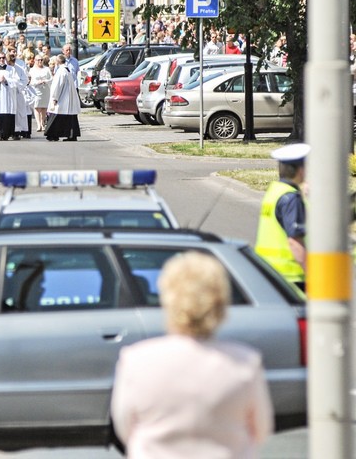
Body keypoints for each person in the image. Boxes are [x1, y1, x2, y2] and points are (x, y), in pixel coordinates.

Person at [111, 251, 273, 458]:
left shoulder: (135, 361)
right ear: (220, 301)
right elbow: (260, 430)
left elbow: (126, 428)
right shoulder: (245, 363)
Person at [255, 143, 309, 291]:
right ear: (301, 170)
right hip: (292, 278)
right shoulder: (291, 198)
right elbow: (295, 242)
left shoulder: (275, 190)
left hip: (269, 273)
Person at [44, 54, 81, 141]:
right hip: (67, 98)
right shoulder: (66, 70)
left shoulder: (61, 71)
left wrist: (54, 98)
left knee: (56, 116)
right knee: (69, 117)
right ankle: (71, 135)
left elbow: (57, 85)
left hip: (63, 98)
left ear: (57, 62)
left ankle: (53, 135)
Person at [29, 54, 52, 132]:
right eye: (38, 60)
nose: (40, 61)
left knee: (44, 107)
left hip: (45, 90)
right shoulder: (32, 70)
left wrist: (45, 81)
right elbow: (30, 81)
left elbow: (51, 79)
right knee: (37, 107)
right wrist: (37, 82)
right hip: (36, 90)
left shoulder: (47, 69)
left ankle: (42, 123)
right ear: (35, 61)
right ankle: (38, 124)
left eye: (41, 60)